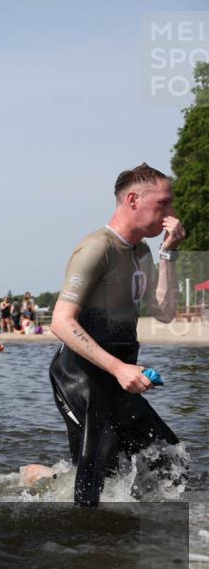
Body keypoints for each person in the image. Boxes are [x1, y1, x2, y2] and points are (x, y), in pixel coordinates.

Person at [49, 163, 185, 508]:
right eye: (164, 204)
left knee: (170, 460)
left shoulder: (142, 252)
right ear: (133, 199)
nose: (170, 214)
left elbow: (165, 313)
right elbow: (61, 322)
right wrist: (120, 368)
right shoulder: (97, 248)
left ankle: (46, 479)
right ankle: (88, 548)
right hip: (80, 376)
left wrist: (168, 253)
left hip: (116, 377)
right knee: (95, 482)